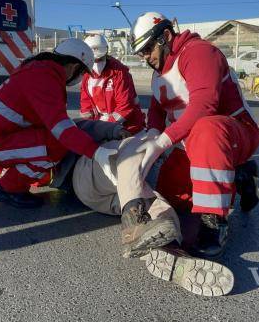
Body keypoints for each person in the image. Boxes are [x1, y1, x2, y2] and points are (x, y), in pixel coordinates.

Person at [131, 11, 259, 258]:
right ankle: (240, 178)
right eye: (141, 53)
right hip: (191, 143)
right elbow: (158, 109)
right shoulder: (158, 72)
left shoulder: (199, 52)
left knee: (206, 128)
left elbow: (204, 105)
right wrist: (151, 133)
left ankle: (214, 222)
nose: (145, 57)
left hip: (233, 133)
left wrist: (162, 142)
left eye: (148, 49)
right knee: (172, 197)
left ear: (165, 36)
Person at [63, 126, 235, 296]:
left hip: (108, 197)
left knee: (160, 214)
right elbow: (86, 126)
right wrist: (117, 130)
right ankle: (133, 218)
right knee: (134, 145)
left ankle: (171, 250)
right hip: (89, 173)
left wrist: (116, 130)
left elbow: (84, 126)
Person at [0, 38, 118, 209]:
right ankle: (9, 189)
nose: (80, 78)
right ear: (73, 66)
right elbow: (61, 128)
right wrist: (96, 152)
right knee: (54, 147)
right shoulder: (45, 78)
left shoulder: (40, 70)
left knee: (47, 142)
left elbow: (46, 120)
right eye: (82, 73)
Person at [79, 34, 145, 133]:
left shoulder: (119, 73)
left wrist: (104, 127)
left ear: (105, 54)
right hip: (103, 125)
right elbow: (86, 105)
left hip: (129, 127)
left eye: (100, 59)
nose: (97, 63)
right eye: (93, 60)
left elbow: (124, 107)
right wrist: (91, 126)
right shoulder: (86, 76)